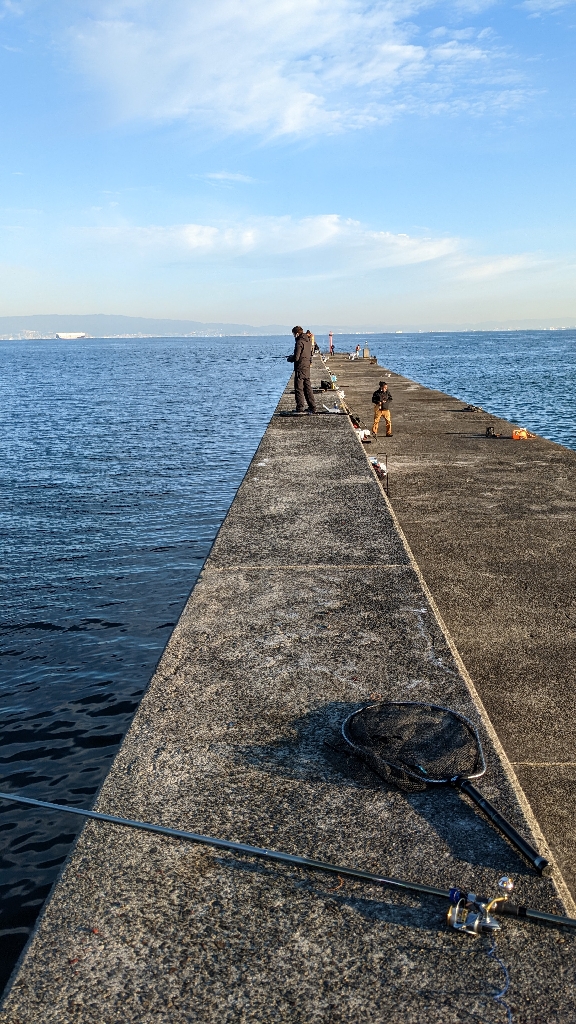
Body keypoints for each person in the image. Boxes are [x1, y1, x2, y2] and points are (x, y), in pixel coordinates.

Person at [290, 326, 316, 414]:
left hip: (300, 368)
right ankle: (312, 407)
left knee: (299, 388)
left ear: (297, 333)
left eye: (294, 334)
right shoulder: (308, 341)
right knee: (308, 388)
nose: (294, 336)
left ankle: (300, 407)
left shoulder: (299, 342)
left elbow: (296, 357)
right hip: (307, 367)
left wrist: (290, 358)